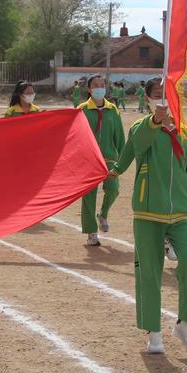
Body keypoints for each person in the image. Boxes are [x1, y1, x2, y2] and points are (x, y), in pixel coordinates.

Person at [110, 77, 187, 353]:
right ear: (147, 99)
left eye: (166, 94)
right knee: (149, 273)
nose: (162, 99)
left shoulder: (186, 133)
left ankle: (184, 324)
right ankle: (154, 333)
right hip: (149, 213)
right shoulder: (142, 127)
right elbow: (136, 146)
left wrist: (183, 199)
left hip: (180, 213)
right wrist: (155, 122)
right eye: (156, 94)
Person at [78, 75, 125, 245]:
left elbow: (119, 136)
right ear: (89, 89)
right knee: (89, 197)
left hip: (109, 159)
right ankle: (91, 232)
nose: (100, 88)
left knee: (113, 189)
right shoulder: (82, 110)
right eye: (95, 85)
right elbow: (76, 136)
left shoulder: (113, 109)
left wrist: (122, 160)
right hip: (88, 161)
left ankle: (103, 214)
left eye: (102, 84)